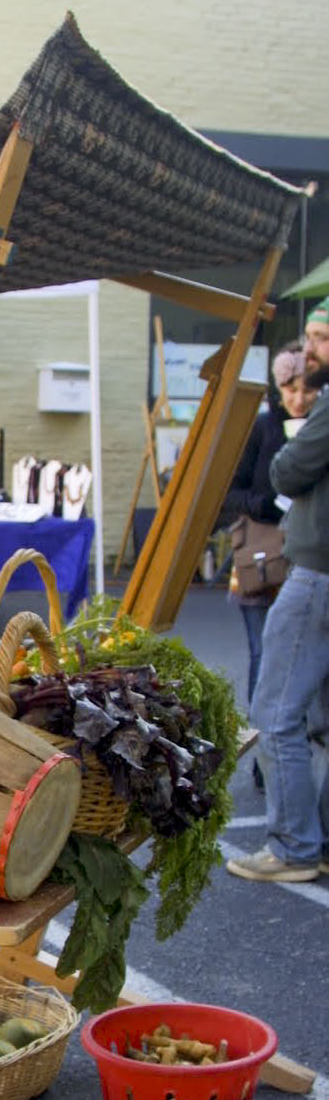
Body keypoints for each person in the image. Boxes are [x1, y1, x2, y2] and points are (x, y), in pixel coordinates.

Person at [227, 297, 329, 883]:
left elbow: (285, 472)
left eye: (317, 338)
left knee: (276, 708)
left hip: (316, 571)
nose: (307, 347)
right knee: (321, 714)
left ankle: (293, 846)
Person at [221, 343, 314, 741]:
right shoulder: (263, 427)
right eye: (289, 388)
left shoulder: (321, 429)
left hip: (310, 563)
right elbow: (230, 492)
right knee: (263, 653)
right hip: (261, 561)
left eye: (307, 389)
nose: (298, 398)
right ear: (278, 387)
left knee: (307, 658)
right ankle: (264, 747)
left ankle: (298, 739)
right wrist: (265, 504)